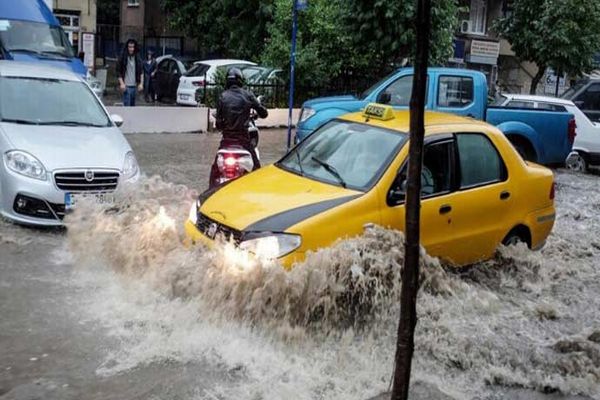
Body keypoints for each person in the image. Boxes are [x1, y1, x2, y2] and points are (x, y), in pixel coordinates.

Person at [210, 67, 268, 186]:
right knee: (257, 168)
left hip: (226, 141)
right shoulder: (248, 95)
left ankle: (209, 195)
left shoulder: (223, 96)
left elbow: (218, 124)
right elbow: (264, 113)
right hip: (243, 141)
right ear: (240, 80)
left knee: (214, 170)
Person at [117, 39, 143, 106]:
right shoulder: (123, 57)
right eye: (129, 47)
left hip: (134, 86)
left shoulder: (137, 58)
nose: (131, 49)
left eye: (132, 47)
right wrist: (122, 84)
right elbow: (118, 71)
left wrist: (141, 83)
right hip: (126, 86)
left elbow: (141, 71)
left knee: (133, 107)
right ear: (127, 47)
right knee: (127, 106)